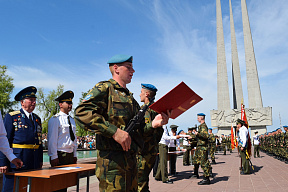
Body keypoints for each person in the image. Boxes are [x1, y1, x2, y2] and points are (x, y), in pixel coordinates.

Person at [74, 54, 169, 191]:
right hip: (112, 163)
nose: (133, 71)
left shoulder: (130, 98)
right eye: (129, 67)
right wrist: (114, 132)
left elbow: (139, 132)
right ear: (116, 68)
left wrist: (155, 125)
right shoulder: (105, 88)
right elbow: (82, 112)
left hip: (131, 163)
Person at [0, 86, 43, 192]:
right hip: (17, 161)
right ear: (22, 102)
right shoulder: (12, 117)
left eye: (34, 100)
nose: (33, 102)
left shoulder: (37, 119)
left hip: (33, 161)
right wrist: (3, 162)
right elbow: (4, 139)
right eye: (31, 100)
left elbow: (39, 141)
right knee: (12, 188)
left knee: (32, 188)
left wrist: (40, 159)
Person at [47, 91, 77, 192]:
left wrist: (75, 154)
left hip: (69, 153)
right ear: (60, 104)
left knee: (65, 183)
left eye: (71, 103)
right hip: (60, 154)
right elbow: (52, 139)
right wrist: (53, 156)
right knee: (57, 184)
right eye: (67, 103)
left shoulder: (72, 120)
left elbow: (74, 138)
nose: (70, 105)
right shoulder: (55, 119)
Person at [137, 83, 163, 192]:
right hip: (151, 151)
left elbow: (145, 131)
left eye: (141, 92)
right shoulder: (157, 109)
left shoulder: (146, 110)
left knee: (140, 185)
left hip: (144, 152)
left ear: (147, 94)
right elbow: (160, 131)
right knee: (144, 182)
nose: (139, 95)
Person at [190, 113, 211, 185]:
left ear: (201, 118)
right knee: (196, 161)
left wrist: (197, 134)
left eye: (198, 118)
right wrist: (192, 137)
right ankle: (196, 173)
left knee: (204, 163)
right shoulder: (200, 126)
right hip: (199, 147)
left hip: (203, 147)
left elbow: (205, 136)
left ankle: (206, 179)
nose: (197, 119)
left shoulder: (203, 126)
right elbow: (199, 137)